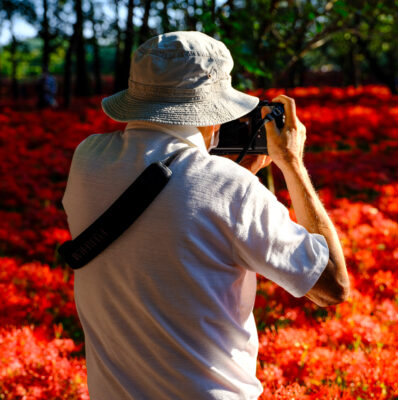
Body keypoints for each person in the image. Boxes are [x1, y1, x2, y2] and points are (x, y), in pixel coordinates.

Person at [62, 31, 349, 400]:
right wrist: (291, 164)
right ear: (213, 108)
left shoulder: (87, 160)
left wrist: (235, 177)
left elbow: (179, 210)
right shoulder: (231, 190)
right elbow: (332, 285)